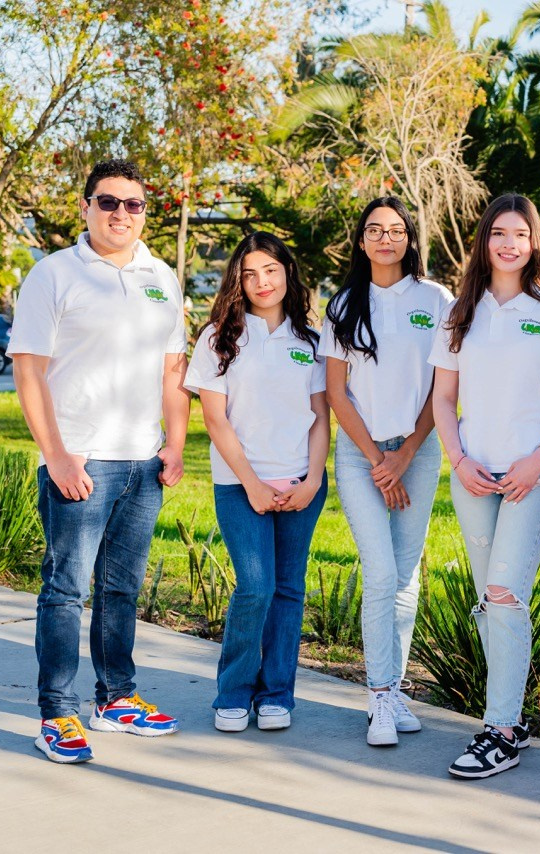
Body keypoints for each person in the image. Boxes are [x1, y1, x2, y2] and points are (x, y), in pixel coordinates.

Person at [10, 158, 188, 763]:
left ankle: (116, 698)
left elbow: (172, 369)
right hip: (81, 462)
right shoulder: (54, 275)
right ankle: (56, 713)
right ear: (85, 207)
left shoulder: (161, 275)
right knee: (65, 590)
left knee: (121, 590)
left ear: (145, 212)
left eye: (133, 204)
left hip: (143, 464)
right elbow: (28, 370)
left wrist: (176, 440)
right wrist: (56, 455)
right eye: (108, 202)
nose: (120, 214)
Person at [429, 194, 540, 778]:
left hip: (533, 477)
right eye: (499, 232)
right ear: (484, 240)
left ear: (534, 243)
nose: (508, 243)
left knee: (503, 593)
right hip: (473, 474)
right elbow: (443, 399)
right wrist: (458, 459)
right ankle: (512, 721)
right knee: (490, 603)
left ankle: (498, 729)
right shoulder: (459, 315)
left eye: (519, 234)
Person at [185, 232, 329, 734]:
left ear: (288, 273)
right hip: (239, 484)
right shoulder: (218, 337)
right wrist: (252, 484)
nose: (261, 282)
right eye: (249, 273)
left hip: (301, 484)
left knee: (288, 590)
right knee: (255, 586)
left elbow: (320, 417)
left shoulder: (310, 341)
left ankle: (276, 696)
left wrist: (312, 479)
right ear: (237, 281)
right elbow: (215, 419)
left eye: (270, 270)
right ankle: (234, 692)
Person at [321, 197, 451, 746]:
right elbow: (334, 391)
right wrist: (379, 459)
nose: (385, 238)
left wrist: (405, 455)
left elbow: (445, 388)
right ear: (361, 240)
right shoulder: (345, 303)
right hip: (360, 454)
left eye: (396, 230)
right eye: (375, 229)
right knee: (379, 574)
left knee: (405, 575)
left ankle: (396, 691)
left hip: (417, 453)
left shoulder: (436, 299)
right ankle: (378, 696)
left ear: (409, 239)